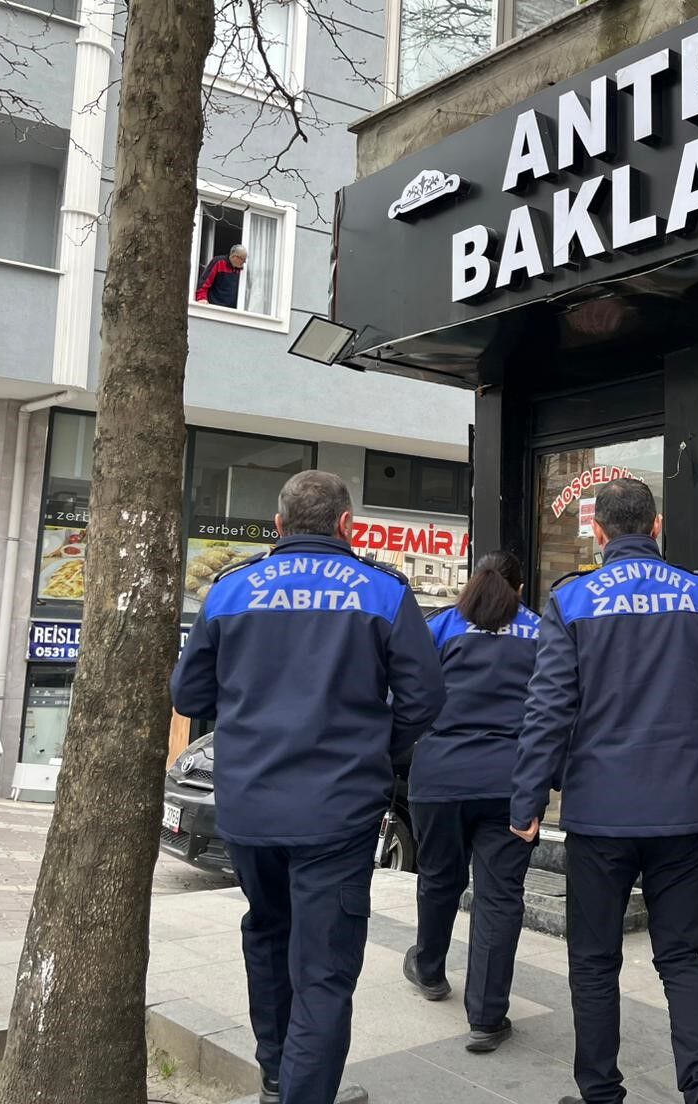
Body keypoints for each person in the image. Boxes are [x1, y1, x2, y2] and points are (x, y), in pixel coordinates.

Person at [171, 470, 443, 1104]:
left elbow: (190, 694)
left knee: (268, 933)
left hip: (250, 807)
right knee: (324, 968)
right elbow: (425, 698)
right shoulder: (382, 591)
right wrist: (375, 748)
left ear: (278, 525)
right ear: (347, 525)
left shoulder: (231, 589)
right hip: (337, 811)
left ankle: (278, 1078)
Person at [511, 478, 698, 1104]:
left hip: (600, 814)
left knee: (594, 960)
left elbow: (547, 709)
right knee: (683, 957)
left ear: (598, 533)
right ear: (656, 528)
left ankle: (600, 1092)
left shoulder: (572, 601)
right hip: (684, 811)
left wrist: (528, 799)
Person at [403, 551, 542, 1053]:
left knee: (439, 878)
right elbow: (556, 707)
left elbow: (410, 694)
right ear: (520, 588)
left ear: (473, 580)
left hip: (439, 777)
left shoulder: (441, 626)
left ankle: (429, 968)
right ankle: (486, 1017)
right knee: (499, 897)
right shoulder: (541, 631)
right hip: (510, 781)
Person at [195, 243, 247, 308]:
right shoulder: (219, 262)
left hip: (232, 310)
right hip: (215, 307)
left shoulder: (242, 270)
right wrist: (201, 298)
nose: (244, 262)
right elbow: (204, 282)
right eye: (243, 259)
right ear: (235, 257)